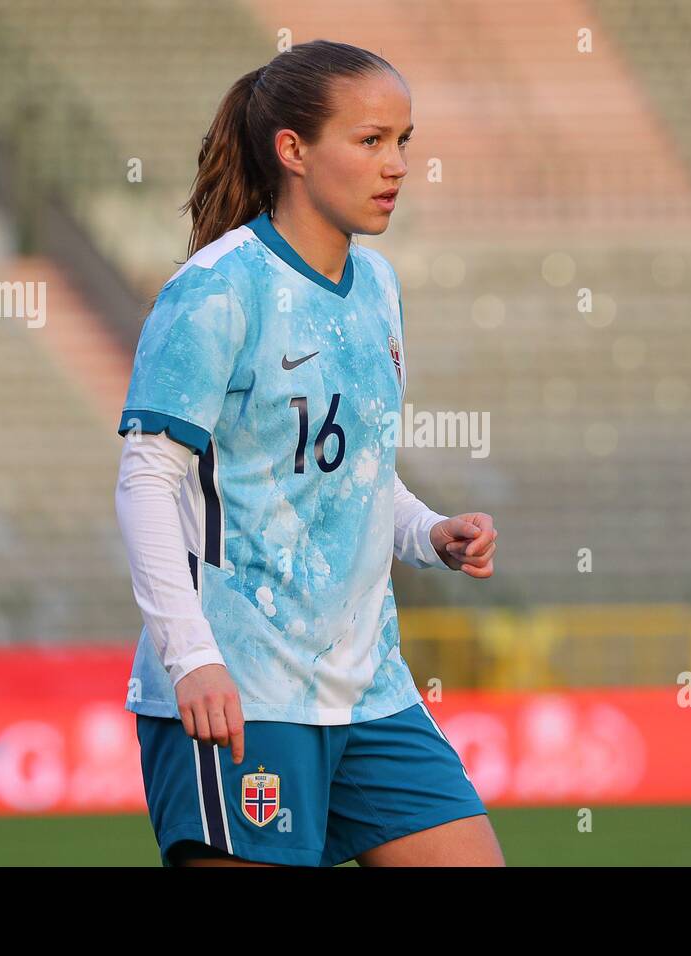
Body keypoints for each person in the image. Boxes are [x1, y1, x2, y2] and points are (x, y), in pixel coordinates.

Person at [113, 39, 503, 867]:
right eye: (369, 142)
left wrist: (426, 531)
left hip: (371, 693)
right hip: (241, 692)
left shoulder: (380, 287)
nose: (395, 164)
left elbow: (353, 468)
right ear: (292, 149)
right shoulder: (216, 291)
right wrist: (192, 659)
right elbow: (147, 484)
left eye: (403, 141)